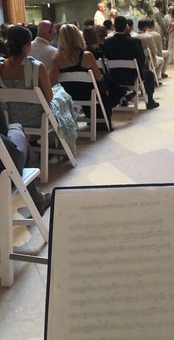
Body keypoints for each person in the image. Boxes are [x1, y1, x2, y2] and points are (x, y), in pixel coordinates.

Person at [0, 25, 78, 154]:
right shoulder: (36, 67)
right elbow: (48, 97)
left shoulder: (2, 68)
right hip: (39, 118)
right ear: (26, 45)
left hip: (12, 119)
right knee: (64, 97)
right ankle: (65, 144)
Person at [50, 23, 123, 129]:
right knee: (109, 84)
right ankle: (117, 100)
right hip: (88, 94)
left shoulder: (56, 58)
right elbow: (98, 78)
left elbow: (51, 81)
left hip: (68, 94)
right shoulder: (87, 56)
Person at [0, 106, 51, 216]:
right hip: (4, 174)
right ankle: (38, 199)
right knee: (16, 128)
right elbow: (3, 130)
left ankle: (38, 198)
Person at [103, 16, 159, 110]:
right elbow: (141, 59)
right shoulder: (134, 42)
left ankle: (124, 97)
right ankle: (150, 101)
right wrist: (140, 74)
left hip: (114, 76)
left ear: (114, 27)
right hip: (132, 76)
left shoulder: (107, 42)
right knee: (149, 74)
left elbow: (106, 58)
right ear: (126, 26)